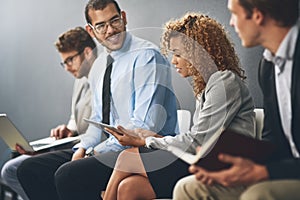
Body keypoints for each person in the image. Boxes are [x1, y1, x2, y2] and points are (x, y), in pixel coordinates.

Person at [16, 0, 178, 199]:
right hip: (110, 146)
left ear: (124, 18)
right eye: (101, 25)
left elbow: (144, 125)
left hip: (145, 150)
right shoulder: (100, 65)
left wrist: (93, 153)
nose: (110, 30)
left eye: (114, 21)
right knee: (29, 169)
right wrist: (82, 148)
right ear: (91, 31)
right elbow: (97, 119)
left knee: (69, 174)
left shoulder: (146, 57)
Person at [103, 12, 256, 200]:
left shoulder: (224, 82)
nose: (173, 60)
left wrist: (147, 141)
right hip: (201, 160)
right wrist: (155, 137)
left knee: (127, 158)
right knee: (129, 188)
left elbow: (199, 142)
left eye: (177, 53)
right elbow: (198, 139)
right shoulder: (207, 87)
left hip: (222, 166)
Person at [173, 0, 300, 199]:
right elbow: (273, 139)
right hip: (280, 168)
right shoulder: (268, 66)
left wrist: (266, 172)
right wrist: (244, 168)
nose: (231, 23)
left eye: (234, 14)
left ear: (257, 15)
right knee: (188, 188)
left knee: (257, 195)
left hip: (290, 173)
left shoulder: (225, 81)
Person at [0, 26, 97, 200]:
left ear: (88, 52)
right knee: (11, 166)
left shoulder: (106, 78)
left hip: (89, 150)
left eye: (70, 60)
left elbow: (102, 128)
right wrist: (68, 130)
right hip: (74, 144)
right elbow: (75, 121)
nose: (67, 67)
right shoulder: (81, 80)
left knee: (17, 169)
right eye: (64, 62)